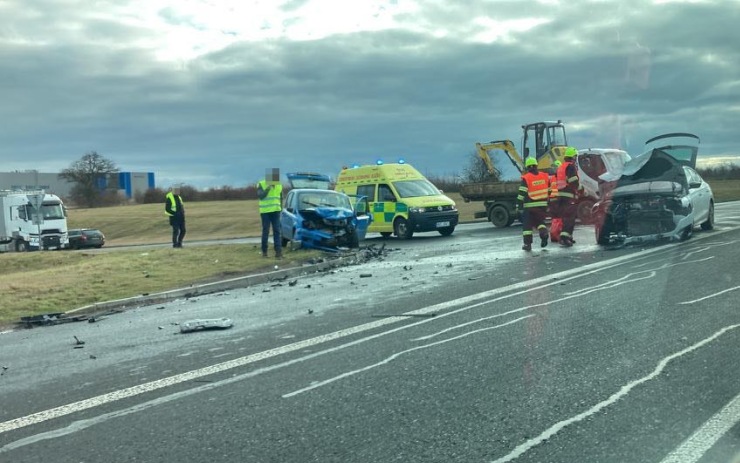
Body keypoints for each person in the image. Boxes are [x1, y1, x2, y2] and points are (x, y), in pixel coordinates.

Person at [516, 157, 550, 251]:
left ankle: (528, 245)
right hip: (542, 205)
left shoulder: (527, 178)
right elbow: (549, 189)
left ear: (527, 167)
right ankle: (544, 234)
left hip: (530, 206)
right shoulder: (544, 176)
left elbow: (521, 194)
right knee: (540, 222)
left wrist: (519, 206)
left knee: (527, 226)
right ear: (536, 165)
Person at [555, 147, 581, 247]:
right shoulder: (570, 166)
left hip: (560, 195)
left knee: (566, 217)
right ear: (572, 157)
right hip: (568, 194)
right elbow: (573, 180)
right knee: (570, 217)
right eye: (575, 157)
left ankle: (569, 237)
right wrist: (580, 189)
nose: (576, 159)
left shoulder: (561, 167)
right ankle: (564, 238)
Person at [257, 168, 283, 258]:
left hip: (276, 211)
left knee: (277, 231)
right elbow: (260, 196)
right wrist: (268, 188)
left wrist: (281, 209)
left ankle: (278, 252)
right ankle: (264, 252)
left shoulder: (279, 185)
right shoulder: (262, 183)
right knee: (266, 231)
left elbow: (281, 197)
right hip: (265, 212)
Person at [549, 160, 563, 242]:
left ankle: (554, 235)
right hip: (558, 200)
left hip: (552, 200)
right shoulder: (561, 177)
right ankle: (558, 235)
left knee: (554, 219)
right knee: (560, 218)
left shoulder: (550, 178)